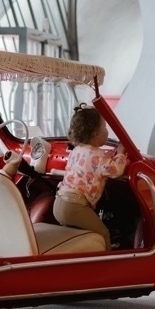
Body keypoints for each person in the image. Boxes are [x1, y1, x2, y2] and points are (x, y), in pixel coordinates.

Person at [54, 105, 128, 248]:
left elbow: (93, 166)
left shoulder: (77, 150)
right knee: (103, 234)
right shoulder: (97, 156)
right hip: (75, 207)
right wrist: (120, 153)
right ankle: (105, 266)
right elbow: (117, 170)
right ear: (95, 134)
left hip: (59, 204)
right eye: (105, 128)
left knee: (78, 237)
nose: (107, 131)